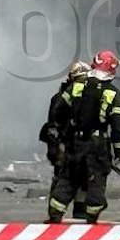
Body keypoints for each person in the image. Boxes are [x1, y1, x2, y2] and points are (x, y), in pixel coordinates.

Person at [46, 49, 120, 224]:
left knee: (69, 176)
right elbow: (118, 127)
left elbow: (58, 109)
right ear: (112, 70)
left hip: (76, 142)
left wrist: (62, 133)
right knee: (96, 180)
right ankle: (92, 216)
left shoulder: (76, 86)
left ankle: (55, 213)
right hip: (98, 145)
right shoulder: (113, 93)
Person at [39, 60, 91, 217]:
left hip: (76, 147)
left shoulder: (63, 97)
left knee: (80, 182)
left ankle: (69, 216)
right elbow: (54, 124)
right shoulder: (63, 98)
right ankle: (59, 216)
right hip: (66, 147)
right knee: (65, 181)